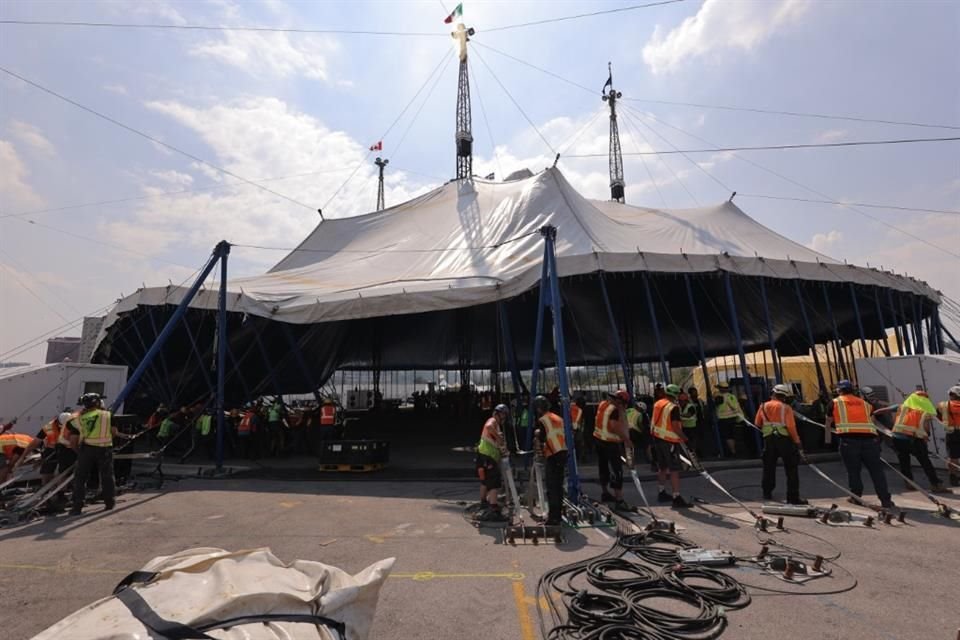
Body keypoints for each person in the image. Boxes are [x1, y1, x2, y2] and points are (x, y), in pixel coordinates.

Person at [825, 380, 895, 509]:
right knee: (877, 471)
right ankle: (885, 500)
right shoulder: (865, 404)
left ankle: (856, 497)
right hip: (870, 441)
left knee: (853, 471)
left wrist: (828, 441)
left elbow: (828, 422)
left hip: (849, 442)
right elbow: (873, 421)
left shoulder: (834, 402)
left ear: (839, 390)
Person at [877, 389, 949, 493]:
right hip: (915, 439)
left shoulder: (901, 407)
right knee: (925, 462)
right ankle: (936, 484)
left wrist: (873, 417)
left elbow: (880, 411)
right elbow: (926, 428)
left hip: (898, 438)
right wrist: (926, 436)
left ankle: (909, 482)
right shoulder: (924, 411)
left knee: (904, 461)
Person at [755, 384, 806, 505]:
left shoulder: (763, 406)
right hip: (784, 440)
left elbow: (757, 423)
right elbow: (791, 427)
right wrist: (797, 442)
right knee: (791, 469)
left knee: (768, 467)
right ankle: (793, 497)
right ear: (784, 396)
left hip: (769, 440)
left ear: (773, 393)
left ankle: (767, 492)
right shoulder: (786, 408)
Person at [68, 393, 118, 515]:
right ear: (98, 403)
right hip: (105, 449)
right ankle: (109, 502)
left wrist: (79, 452)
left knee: (80, 478)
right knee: (107, 476)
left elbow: (73, 441)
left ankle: (77, 507)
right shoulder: (107, 415)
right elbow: (114, 432)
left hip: (87, 449)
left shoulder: (78, 419)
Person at [651, 384, 691, 508]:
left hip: (657, 438)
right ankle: (676, 497)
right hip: (669, 440)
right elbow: (675, 426)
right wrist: (685, 438)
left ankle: (661, 492)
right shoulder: (673, 407)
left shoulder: (658, 403)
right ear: (676, 394)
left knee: (662, 467)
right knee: (674, 469)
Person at [593, 389, 632, 509]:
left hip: (598, 439)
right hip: (610, 443)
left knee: (603, 467)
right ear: (620, 402)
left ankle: (605, 493)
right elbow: (614, 426)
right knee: (617, 470)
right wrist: (626, 439)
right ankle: (619, 500)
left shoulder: (603, 404)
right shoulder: (615, 409)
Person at [533, 395, 567, 525]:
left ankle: (553, 518)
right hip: (562, 453)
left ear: (539, 409)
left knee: (552, 487)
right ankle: (558, 514)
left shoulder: (543, 420)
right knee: (558, 486)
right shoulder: (557, 418)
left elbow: (542, 438)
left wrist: (537, 434)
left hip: (553, 455)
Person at [475, 404, 510, 521]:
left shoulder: (496, 424)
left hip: (482, 456)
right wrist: (499, 439)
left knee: (485, 481)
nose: (504, 418)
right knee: (494, 484)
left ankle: (483, 503)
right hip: (489, 457)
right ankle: (494, 510)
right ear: (498, 414)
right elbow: (489, 427)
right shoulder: (493, 421)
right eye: (503, 415)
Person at [36, 412, 73, 485]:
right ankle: (45, 487)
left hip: (66, 449)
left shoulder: (73, 425)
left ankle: (62, 489)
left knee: (64, 471)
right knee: (47, 471)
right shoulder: (49, 427)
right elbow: (36, 441)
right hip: (51, 449)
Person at [714, 381, 745, 457]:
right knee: (732, 435)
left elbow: (733, 407)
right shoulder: (731, 396)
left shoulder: (720, 396)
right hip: (733, 418)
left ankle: (733, 452)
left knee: (728, 436)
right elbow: (736, 407)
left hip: (724, 419)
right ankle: (734, 451)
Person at [937, 385, 960, 487]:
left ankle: (953, 478)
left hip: (951, 433)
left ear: (952, 394)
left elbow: (938, 416)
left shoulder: (943, 405)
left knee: (952, 457)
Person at [679, 389, 704, 457]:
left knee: (693, 442)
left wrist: (679, 415)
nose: (680, 402)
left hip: (692, 426)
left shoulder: (690, 406)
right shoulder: (680, 407)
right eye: (680, 401)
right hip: (684, 427)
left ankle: (694, 454)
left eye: (682, 401)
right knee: (688, 442)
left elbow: (689, 414)